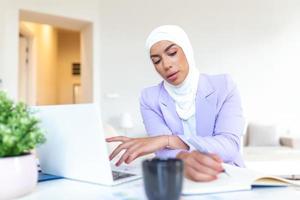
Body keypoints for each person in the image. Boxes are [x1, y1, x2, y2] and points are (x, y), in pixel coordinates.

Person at [106, 25, 245, 182]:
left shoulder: (224, 86)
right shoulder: (149, 98)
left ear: (186, 50)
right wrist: (181, 157)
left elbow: (229, 146)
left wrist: (168, 140)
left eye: (172, 53)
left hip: (227, 175)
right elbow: (162, 152)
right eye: (156, 61)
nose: (166, 65)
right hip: (179, 177)